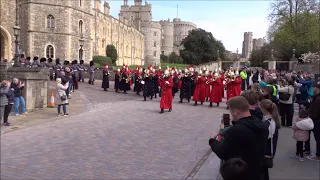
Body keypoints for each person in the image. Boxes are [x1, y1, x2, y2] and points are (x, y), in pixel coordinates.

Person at [209, 96, 268, 180]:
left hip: (240, 173)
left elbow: (223, 152)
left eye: (231, 111)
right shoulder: (260, 124)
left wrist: (213, 140)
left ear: (235, 111)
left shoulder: (237, 130)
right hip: (257, 171)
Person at [258, 99, 281, 180]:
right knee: (264, 171)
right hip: (267, 150)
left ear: (264, 109)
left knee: (262, 171)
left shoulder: (269, 122)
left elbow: (266, 136)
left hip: (265, 151)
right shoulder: (271, 119)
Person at [307, 84, 320, 161]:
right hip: (316, 120)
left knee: (318, 139)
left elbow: (316, 112)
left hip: (317, 121)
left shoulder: (318, 99)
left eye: (314, 87)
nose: (312, 89)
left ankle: (318, 155)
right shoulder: (316, 98)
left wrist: (309, 116)